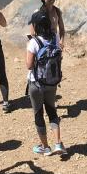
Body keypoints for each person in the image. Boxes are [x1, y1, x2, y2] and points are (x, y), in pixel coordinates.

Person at [26, 14, 65, 157]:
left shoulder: (34, 42)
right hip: (52, 81)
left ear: (36, 26)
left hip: (36, 83)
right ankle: (58, 143)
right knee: (52, 110)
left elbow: (29, 66)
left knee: (38, 113)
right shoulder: (54, 37)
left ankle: (45, 147)